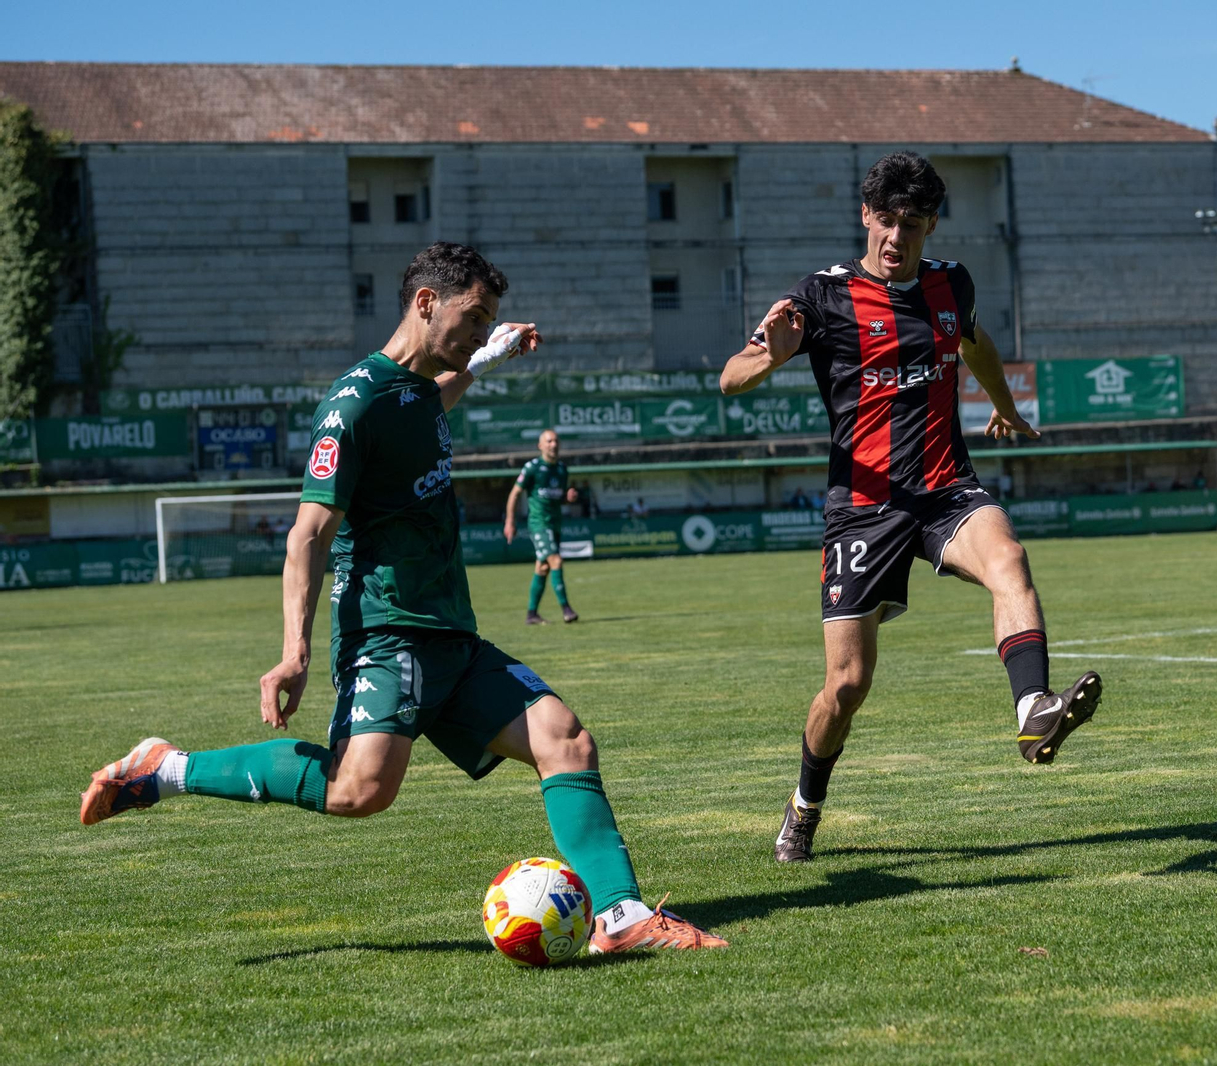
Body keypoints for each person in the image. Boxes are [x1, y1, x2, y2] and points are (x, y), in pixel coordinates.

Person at [79, 242, 725, 953]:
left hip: (450, 633)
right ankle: (165, 769)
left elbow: (431, 399)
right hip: (387, 634)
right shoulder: (352, 405)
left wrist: (488, 357)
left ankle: (621, 917)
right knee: (359, 791)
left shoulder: (420, 389)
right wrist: (292, 651)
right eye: (474, 318)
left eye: (488, 321)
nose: (479, 331)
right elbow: (308, 535)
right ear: (425, 304)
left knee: (565, 739)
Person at [719, 151, 1102, 864]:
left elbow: (974, 342)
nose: (897, 237)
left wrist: (1005, 405)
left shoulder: (950, 283)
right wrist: (766, 357)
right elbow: (730, 377)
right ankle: (804, 808)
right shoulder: (820, 297)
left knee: (1009, 559)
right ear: (867, 216)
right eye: (887, 220)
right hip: (863, 510)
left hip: (944, 485)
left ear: (931, 226)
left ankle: (1033, 711)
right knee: (848, 684)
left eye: (914, 224)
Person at [504, 429, 578, 625]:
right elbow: (514, 494)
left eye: (556, 441)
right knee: (556, 561)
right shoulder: (532, 468)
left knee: (543, 567)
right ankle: (567, 610)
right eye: (549, 441)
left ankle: (531, 614)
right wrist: (510, 521)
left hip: (555, 523)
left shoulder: (562, 469)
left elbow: (557, 497)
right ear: (540, 446)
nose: (553, 444)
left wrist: (567, 498)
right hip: (538, 523)